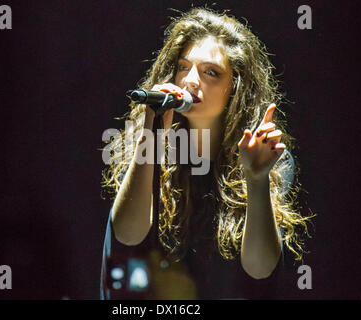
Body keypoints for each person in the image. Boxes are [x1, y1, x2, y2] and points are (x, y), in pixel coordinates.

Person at [100, 7, 313, 299]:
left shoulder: (266, 157)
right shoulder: (150, 144)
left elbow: (261, 269)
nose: (189, 81)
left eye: (210, 72)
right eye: (183, 67)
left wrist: (256, 178)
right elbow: (126, 234)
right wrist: (151, 133)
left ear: (236, 87)